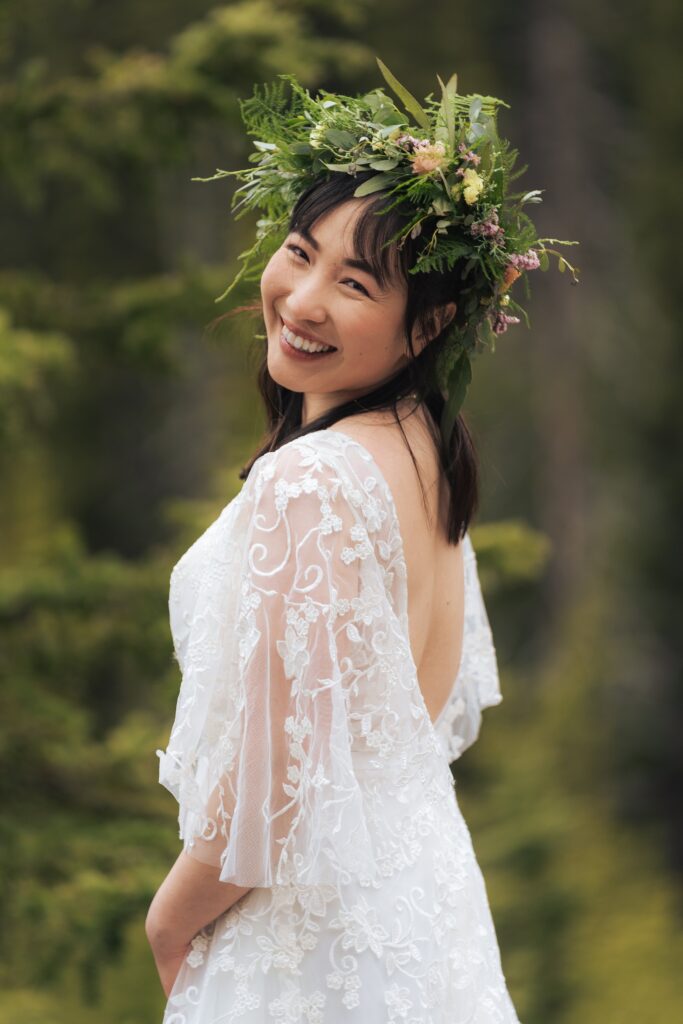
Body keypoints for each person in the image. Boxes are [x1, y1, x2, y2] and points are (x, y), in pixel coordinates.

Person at [147, 62, 578, 1022]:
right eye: (299, 253)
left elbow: (277, 783)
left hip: (308, 943)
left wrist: (170, 921)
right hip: (428, 929)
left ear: (426, 325)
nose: (303, 299)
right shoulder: (426, 455)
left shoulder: (314, 477)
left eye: (353, 282)